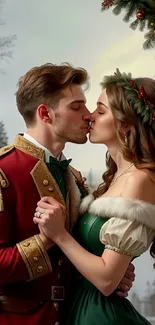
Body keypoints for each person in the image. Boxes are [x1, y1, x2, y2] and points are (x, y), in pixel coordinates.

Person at [0, 64, 133, 325]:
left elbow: (73, 259)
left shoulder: (73, 176)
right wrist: (47, 240)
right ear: (45, 114)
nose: (88, 115)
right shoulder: (3, 171)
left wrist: (112, 271)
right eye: (76, 107)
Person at [34, 68, 155, 325]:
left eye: (100, 111)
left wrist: (59, 235)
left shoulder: (139, 179)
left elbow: (107, 280)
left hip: (101, 316)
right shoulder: (114, 179)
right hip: (80, 309)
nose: (90, 117)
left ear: (125, 124)